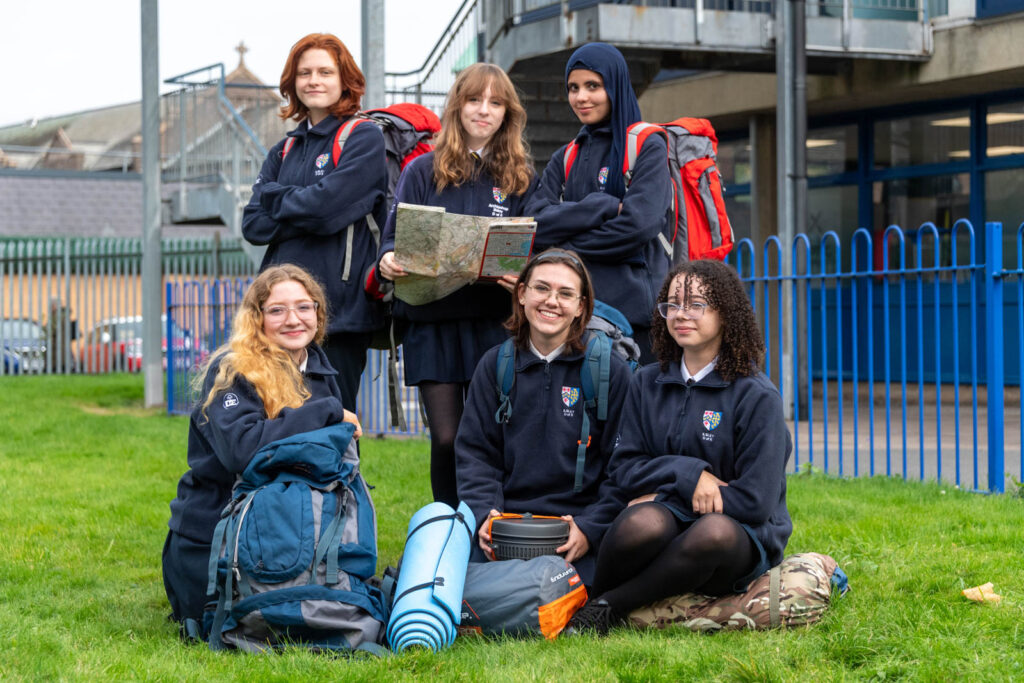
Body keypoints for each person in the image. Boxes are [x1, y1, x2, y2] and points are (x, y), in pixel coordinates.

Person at [566, 259, 792, 634]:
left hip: (737, 540)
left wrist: (660, 493)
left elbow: (755, 502)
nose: (681, 315)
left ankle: (607, 606)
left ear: (725, 313)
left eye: (696, 304)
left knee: (712, 530)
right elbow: (623, 470)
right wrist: (692, 477)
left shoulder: (757, 396)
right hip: (669, 525)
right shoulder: (647, 383)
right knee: (641, 521)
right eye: (672, 304)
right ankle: (595, 597)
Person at [162, 264, 362, 638]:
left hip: (291, 530)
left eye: (305, 307)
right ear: (257, 318)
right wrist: (327, 412)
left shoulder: (319, 368)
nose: (293, 319)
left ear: (318, 314)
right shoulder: (231, 370)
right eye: (277, 310)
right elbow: (244, 450)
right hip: (215, 537)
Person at [375, 63, 537, 507]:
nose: (483, 110)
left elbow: (537, 251)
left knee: (493, 434)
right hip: (433, 322)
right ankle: (449, 532)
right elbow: (392, 242)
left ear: (507, 114)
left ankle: (494, 528)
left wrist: (522, 274)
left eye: (495, 103)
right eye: (473, 100)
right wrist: (389, 260)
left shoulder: (519, 176)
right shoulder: (422, 171)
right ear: (457, 106)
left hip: (493, 323)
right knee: (447, 438)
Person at [454, 249, 631, 585]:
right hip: (508, 527)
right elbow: (476, 455)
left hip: (578, 531)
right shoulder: (495, 365)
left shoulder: (610, 371)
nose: (552, 301)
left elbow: (624, 466)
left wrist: (591, 528)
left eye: (565, 294)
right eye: (541, 289)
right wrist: (485, 516)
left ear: (581, 306)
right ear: (522, 294)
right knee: (438, 564)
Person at [242, 33, 388, 412]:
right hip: (278, 314)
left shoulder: (364, 137)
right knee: (276, 418)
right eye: (304, 73)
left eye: (325, 71)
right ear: (293, 83)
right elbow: (253, 225)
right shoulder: (284, 149)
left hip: (338, 313)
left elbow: (323, 212)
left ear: (345, 80)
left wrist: (278, 197)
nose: (314, 80)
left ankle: (343, 477)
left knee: (336, 422)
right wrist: (311, 205)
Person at [524, 42, 672, 364]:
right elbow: (534, 223)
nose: (581, 97)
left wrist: (564, 247)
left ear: (615, 86)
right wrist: (602, 206)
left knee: (634, 413)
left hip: (638, 323)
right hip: (576, 316)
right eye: (573, 88)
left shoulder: (648, 144)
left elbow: (638, 225)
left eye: (593, 86)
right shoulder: (566, 156)